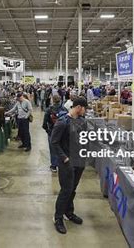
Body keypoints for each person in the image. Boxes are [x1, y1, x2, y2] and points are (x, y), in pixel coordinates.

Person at [51, 97, 88, 234]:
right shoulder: (62, 122)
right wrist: (64, 158)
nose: (86, 111)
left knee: (72, 189)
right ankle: (58, 217)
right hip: (67, 162)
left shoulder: (82, 121)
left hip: (79, 161)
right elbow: (54, 142)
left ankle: (68, 212)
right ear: (78, 107)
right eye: (85, 108)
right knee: (66, 190)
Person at [43, 95, 67, 172]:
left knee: (53, 149)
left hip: (52, 131)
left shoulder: (49, 110)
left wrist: (48, 130)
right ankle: (62, 163)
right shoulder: (64, 109)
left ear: (52, 100)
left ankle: (54, 166)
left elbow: (44, 123)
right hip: (62, 132)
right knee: (62, 147)